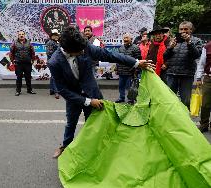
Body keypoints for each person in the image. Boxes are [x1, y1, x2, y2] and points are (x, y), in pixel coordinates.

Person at [48, 26, 155, 158]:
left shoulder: (84, 45)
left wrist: (136, 63)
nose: (83, 52)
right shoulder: (54, 62)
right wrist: (88, 102)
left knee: (93, 124)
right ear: (68, 49)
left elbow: (108, 55)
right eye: (79, 51)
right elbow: (63, 90)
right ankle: (65, 147)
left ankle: (91, 150)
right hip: (74, 97)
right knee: (71, 123)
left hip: (92, 92)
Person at [164, 21, 202, 109]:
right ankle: (170, 120)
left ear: (191, 30)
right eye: (181, 29)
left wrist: (189, 42)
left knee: (186, 101)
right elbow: (165, 56)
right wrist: (170, 48)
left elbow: (196, 55)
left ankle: (183, 120)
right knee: (169, 100)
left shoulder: (196, 40)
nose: (183, 31)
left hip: (186, 75)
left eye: (186, 29)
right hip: (171, 74)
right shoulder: (173, 40)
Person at [115, 33, 142, 103]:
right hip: (121, 71)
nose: (125, 39)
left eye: (127, 38)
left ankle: (131, 99)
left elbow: (139, 60)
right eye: (124, 38)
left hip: (130, 72)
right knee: (121, 86)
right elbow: (118, 59)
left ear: (131, 39)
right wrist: (116, 68)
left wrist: (136, 71)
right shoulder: (120, 48)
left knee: (129, 87)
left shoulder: (136, 48)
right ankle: (121, 97)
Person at [10, 30, 36, 96]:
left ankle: (29, 90)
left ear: (24, 35)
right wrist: (12, 61)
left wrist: (32, 60)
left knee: (28, 77)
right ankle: (18, 91)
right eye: (20, 34)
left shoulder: (29, 43)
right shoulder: (14, 43)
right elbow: (11, 53)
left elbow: (32, 52)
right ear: (18, 35)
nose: (21, 35)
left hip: (27, 63)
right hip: (18, 63)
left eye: (22, 34)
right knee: (19, 77)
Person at [195, 41, 211, 132]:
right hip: (208, 78)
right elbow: (201, 63)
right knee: (205, 103)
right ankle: (204, 124)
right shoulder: (207, 46)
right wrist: (198, 78)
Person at [46, 29, 60, 99]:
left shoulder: (55, 42)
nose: (56, 36)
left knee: (53, 76)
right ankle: (56, 91)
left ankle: (52, 90)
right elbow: (49, 53)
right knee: (55, 76)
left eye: (57, 35)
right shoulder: (50, 43)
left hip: (54, 61)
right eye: (55, 35)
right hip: (53, 62)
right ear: (51, 36)